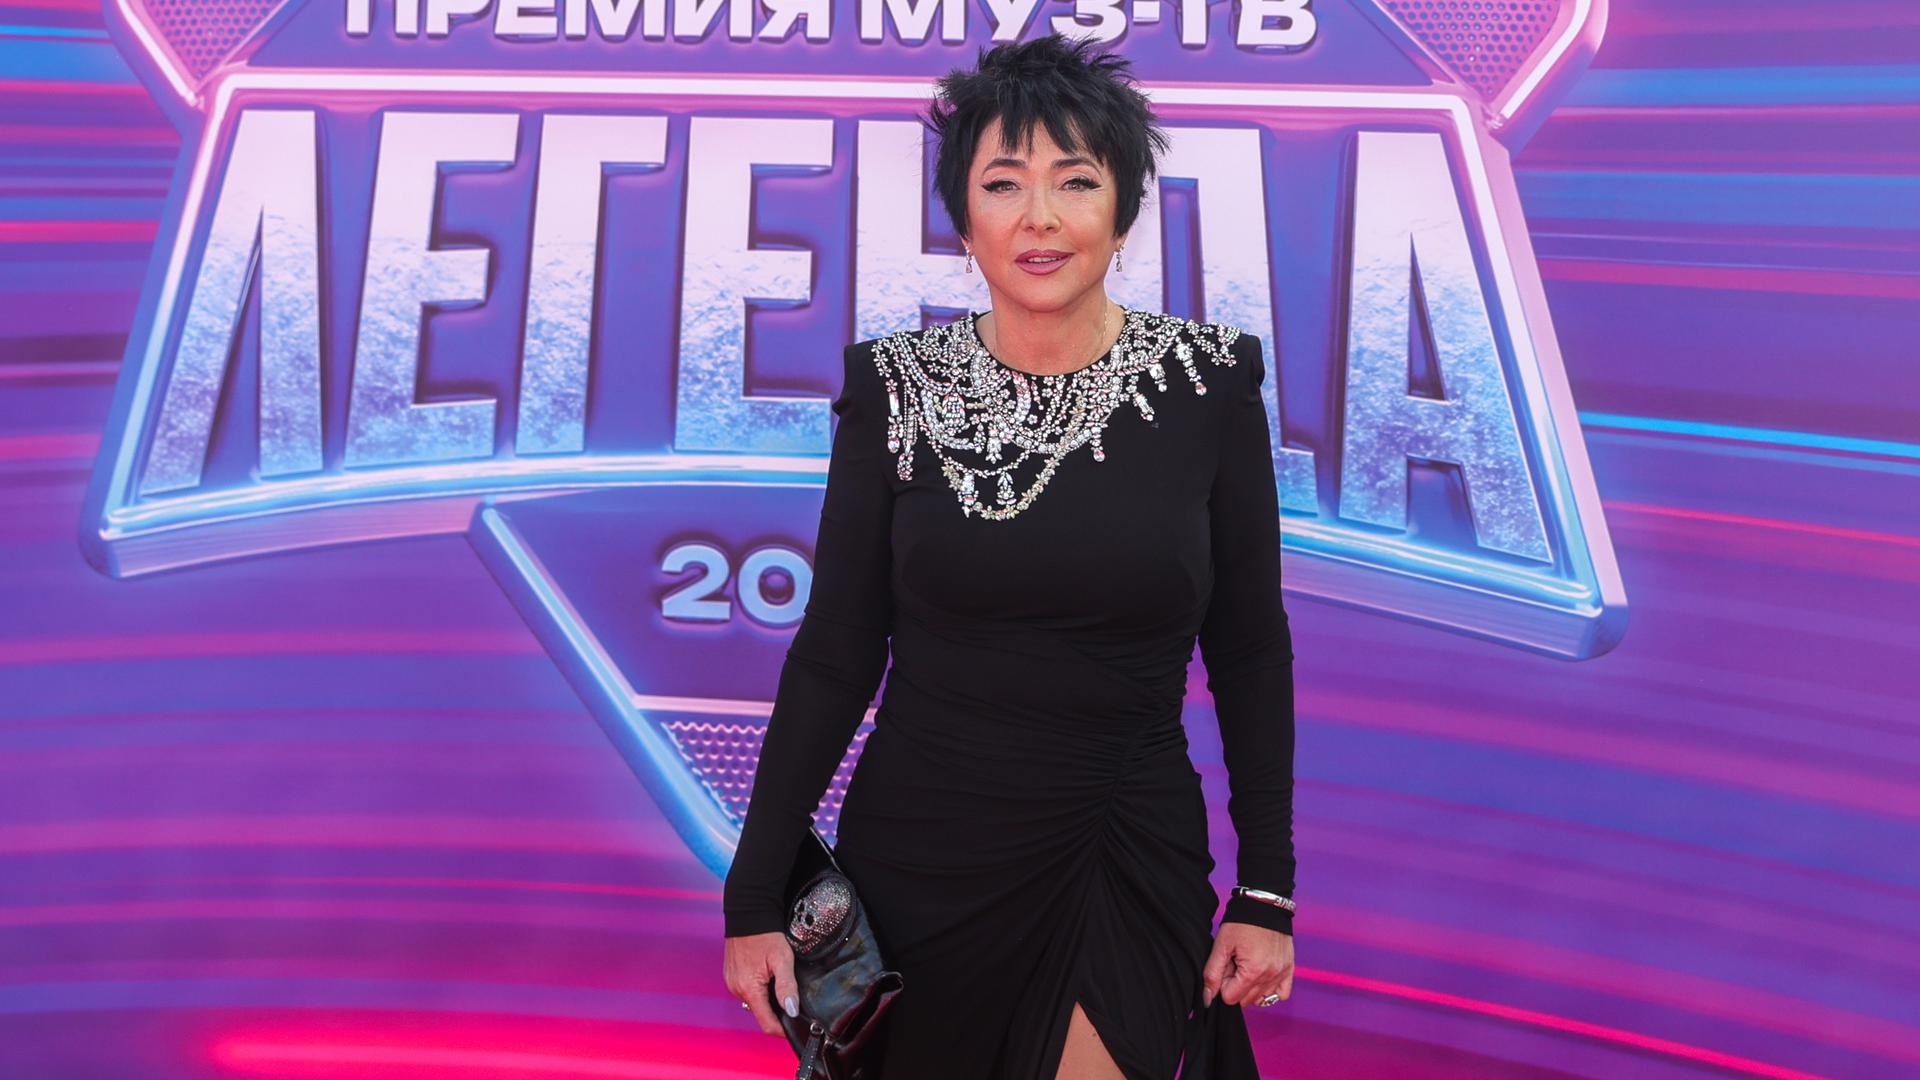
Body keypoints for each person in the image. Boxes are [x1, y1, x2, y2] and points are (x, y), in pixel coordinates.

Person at [721, 32, 1297, 1079]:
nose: (1040, 217)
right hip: (920, 857)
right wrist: (755, 890)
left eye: (1076, 181)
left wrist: (1267, 888)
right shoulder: (894, 388)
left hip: (1120, 847)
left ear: (1122, 210)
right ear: (963, 217)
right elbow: (837, 649)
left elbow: (1251, 650)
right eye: (1003, 183)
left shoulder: (1208, 385)